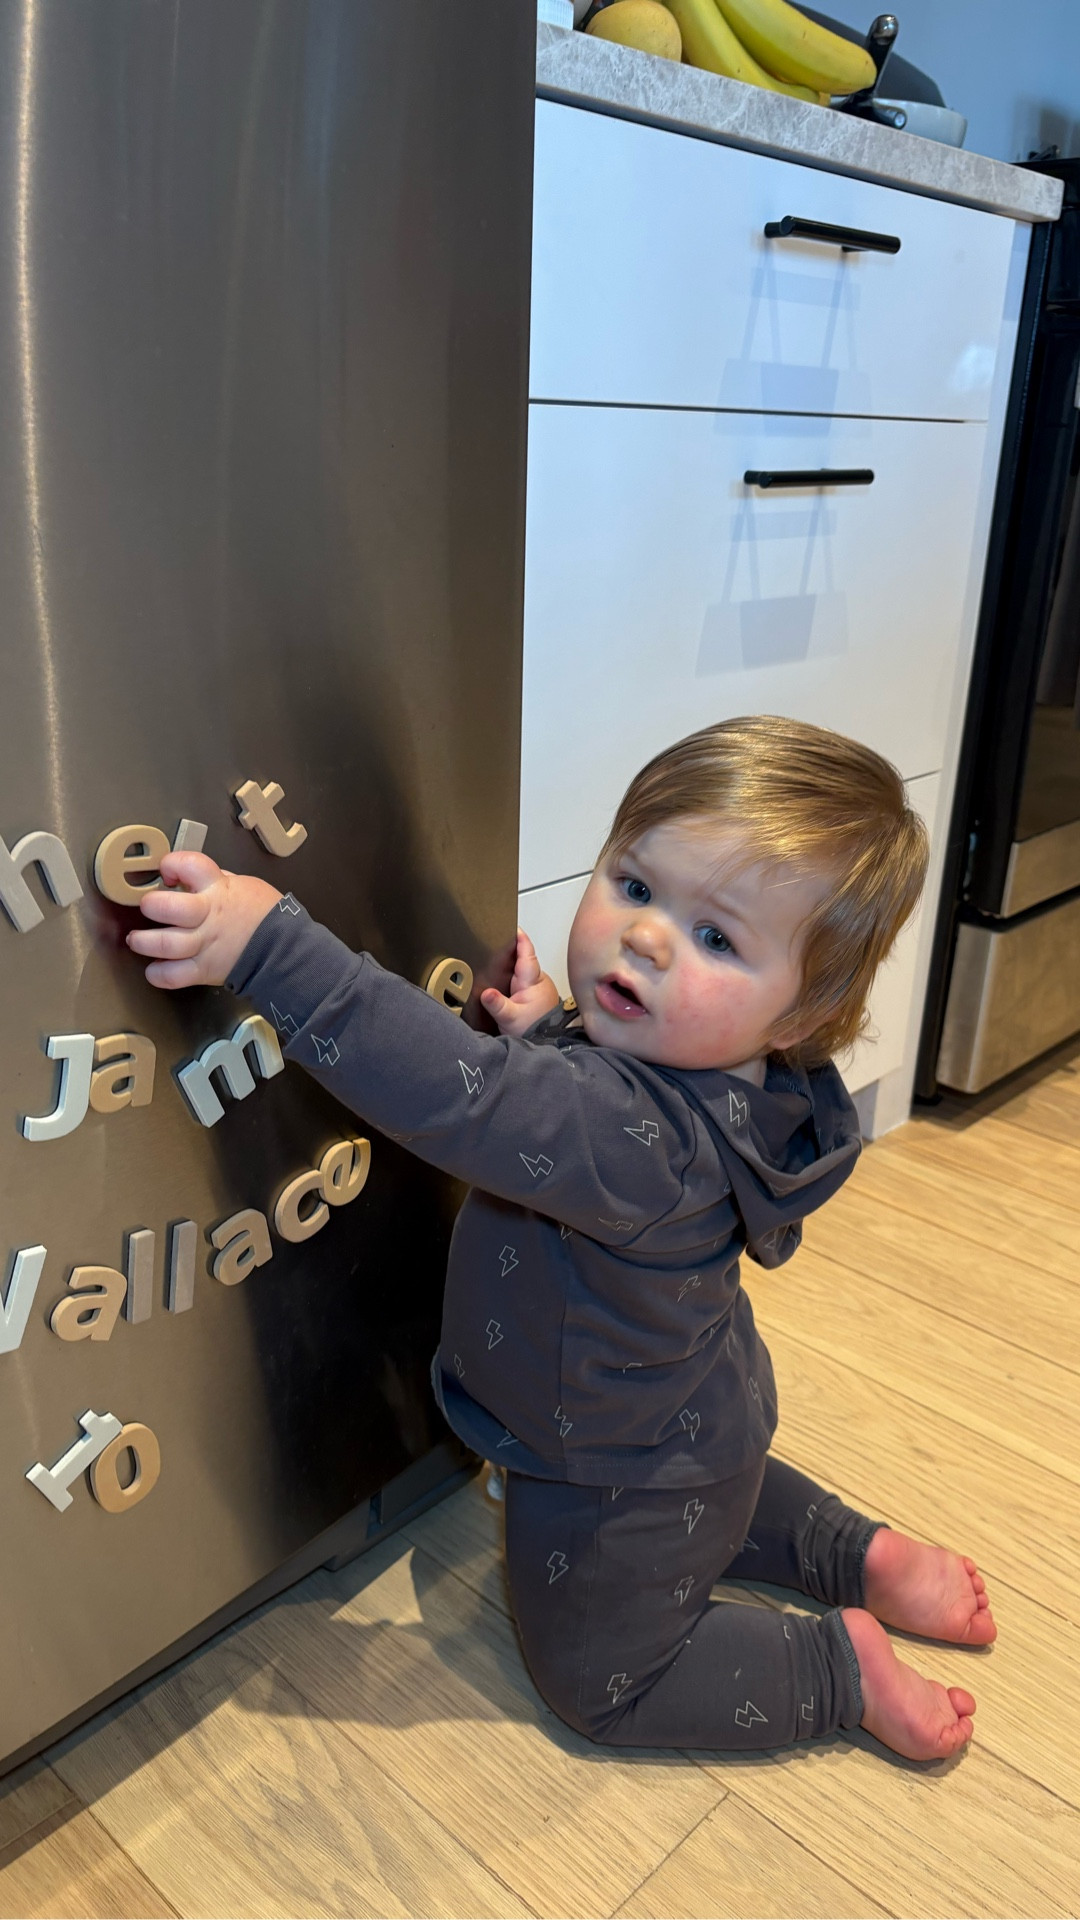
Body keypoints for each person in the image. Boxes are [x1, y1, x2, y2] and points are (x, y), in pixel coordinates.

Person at [127, 714, 995, 1762]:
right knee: (711, 1506)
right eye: (635, 884)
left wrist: (271, 949)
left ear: (801, 1012)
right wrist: (551, 1033)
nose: (648, 936)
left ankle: (834, 1672)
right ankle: (859, 1554)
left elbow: (458, 1098)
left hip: (606, 1475)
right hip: (697, 1412)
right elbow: (600, 1116)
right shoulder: (755, 1089)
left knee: (604, 1687)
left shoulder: (632, 1144)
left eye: (717, 938)